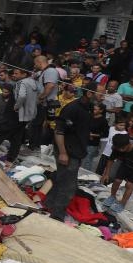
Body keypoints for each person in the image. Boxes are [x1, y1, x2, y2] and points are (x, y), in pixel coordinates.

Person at [43, 86, 93, 221]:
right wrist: (63, 153)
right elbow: (59, 131)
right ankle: (57, 215)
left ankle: (48, 204)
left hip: (77, 150)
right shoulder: (72, 108)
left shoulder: (89, 107)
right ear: (89, 93)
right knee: (69, 186)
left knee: (62, 179)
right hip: (68, 151)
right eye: (100, 93)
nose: (103, 96)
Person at [102, 126, 133, 213]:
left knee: (129, 185)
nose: (121, 150)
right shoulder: (117, 148)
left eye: (123, 148)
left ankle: (122, 204)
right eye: (119, 148)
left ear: (129, 143)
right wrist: (106, 174)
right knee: (117, 181)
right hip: (125, 165)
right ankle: (112, 196)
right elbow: (110, 160)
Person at [83, 103, 109, 173]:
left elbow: (105, 134)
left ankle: (85, 174)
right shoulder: (89, 116)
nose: (93, 110)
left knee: (88, 160)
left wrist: (92, 135)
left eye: (95, 109)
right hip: (83, 140)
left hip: (93, 143)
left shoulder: (103, 121)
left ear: (101, 110)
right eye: (93, 109)